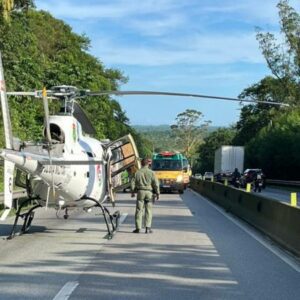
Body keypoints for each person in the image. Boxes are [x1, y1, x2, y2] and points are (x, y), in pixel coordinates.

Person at [131, 158, 160, 234]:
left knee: (139, 210)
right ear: (148, 164)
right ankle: (148, 228)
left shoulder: (137, 172)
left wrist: (133, 191)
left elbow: (132, 183)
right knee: (148, 210)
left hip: (140, 192)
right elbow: (156, 184)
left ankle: (138, 228)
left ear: (141, 163)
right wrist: (157, 193)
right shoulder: (152, 172)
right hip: (149, 193)